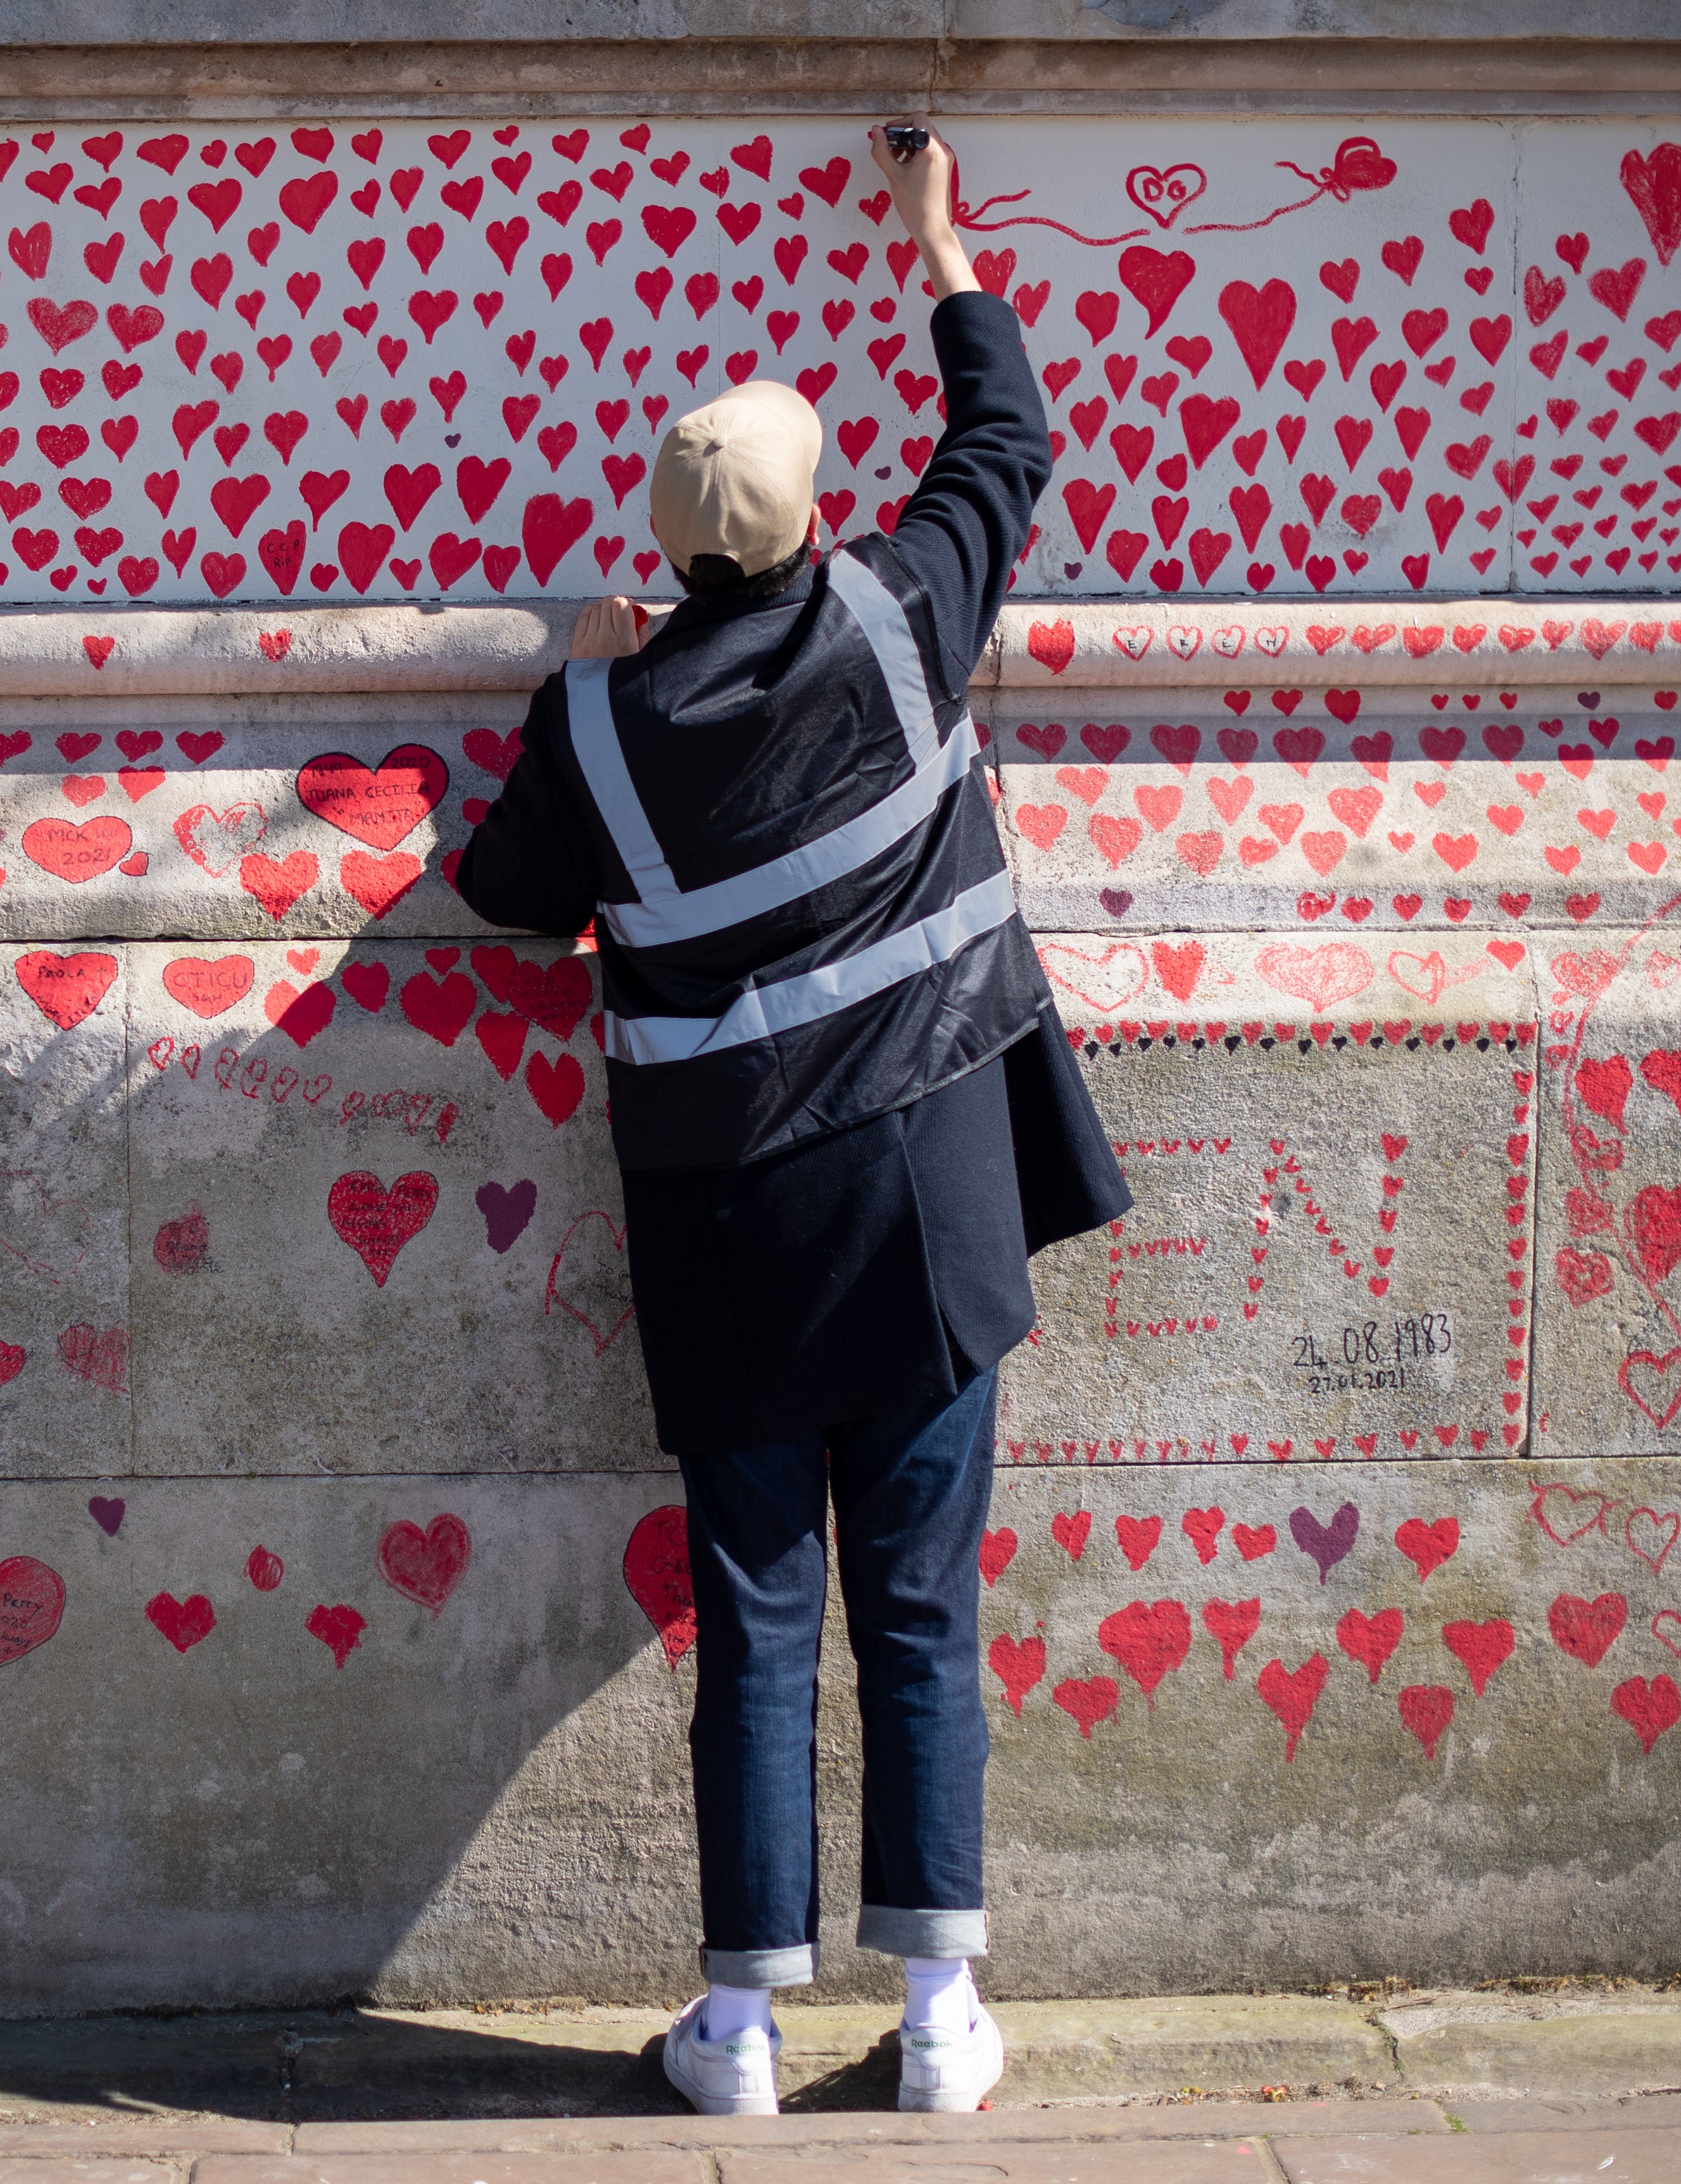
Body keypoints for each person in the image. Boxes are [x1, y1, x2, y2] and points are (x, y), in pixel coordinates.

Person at [453, 118, 1132, 2118]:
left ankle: (735, 2028)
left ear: (673, 554)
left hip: (734, 1225)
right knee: (919, 1601)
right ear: (818, 512)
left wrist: (577, 683)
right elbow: (1005, 440)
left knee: (758, 1615)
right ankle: (939, 2022)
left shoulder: (607, 723)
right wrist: (935, 248)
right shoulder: (910, 614)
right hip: (930, 1194)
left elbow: (505, 892)